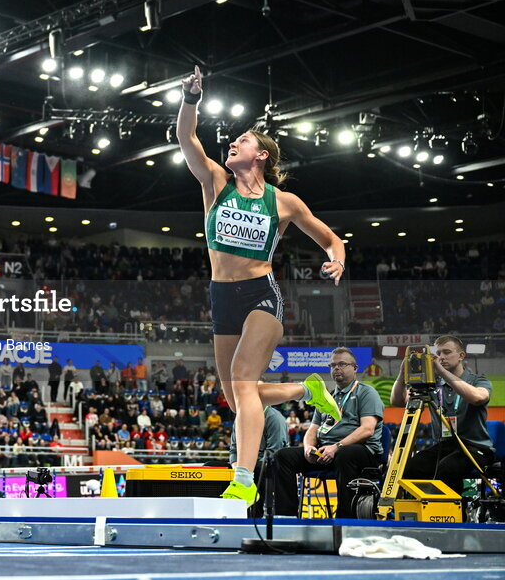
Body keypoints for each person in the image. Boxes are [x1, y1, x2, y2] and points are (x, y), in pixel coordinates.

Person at [176, 65, 344, 505]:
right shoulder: (216, 182)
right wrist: (190, 98)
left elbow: (330, 239)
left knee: (243, 380)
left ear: (262, 156)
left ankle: (244, 477)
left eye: (243, 141)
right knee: (236, 399)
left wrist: (336, 260)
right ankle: (306, 391)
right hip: (221, 296)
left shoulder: (282, 202)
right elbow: (186, 138)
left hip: (260, 295)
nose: (232, 143)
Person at [272, 348, 384, 518]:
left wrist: (337, 447)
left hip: (360, 452)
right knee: (282, 456)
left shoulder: (366, 393)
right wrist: (308, 448)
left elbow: (367, 429)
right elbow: (313, 429)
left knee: (345, 454)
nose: (336, 368)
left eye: (341, 364)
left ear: (355, 368)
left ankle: (345, 518)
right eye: (332, 365)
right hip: (326, 452)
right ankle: (286, 516)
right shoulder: (327, 397)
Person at [390, 335, 494, 496]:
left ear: (461, 356)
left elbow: (477, 397)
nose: (442, 357)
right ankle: (425, 512)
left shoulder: (478, 381)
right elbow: (397, 401)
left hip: (475, 448)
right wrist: (402, 373)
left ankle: (455, 517)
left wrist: (440, 370)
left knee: (448, 467)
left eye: (447, 352)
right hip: (445, 446)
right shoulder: (433, 384)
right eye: (438, 353)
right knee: (410, 467)